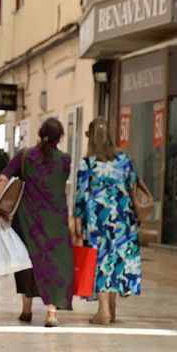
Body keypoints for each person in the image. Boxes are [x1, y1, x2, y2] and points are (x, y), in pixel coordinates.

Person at [0, 118, 76, 326]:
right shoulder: (64, 160)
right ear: (60, 137)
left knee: (25, 261)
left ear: (40, 133)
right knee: (56, 263)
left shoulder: (25, 156)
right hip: (55, 221)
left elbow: (3, 177)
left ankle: (26, 308)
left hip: (27, 218)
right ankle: (51, 311)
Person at [74, 118, 142, 324]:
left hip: (98, 219)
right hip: (123, 217)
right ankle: (111, 308)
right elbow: (133, 185)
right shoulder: (123, 159)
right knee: (117, 259)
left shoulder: (88, 163)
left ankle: (103, 310)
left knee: (101, 260)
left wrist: (77, 219)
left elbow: (81, 193)